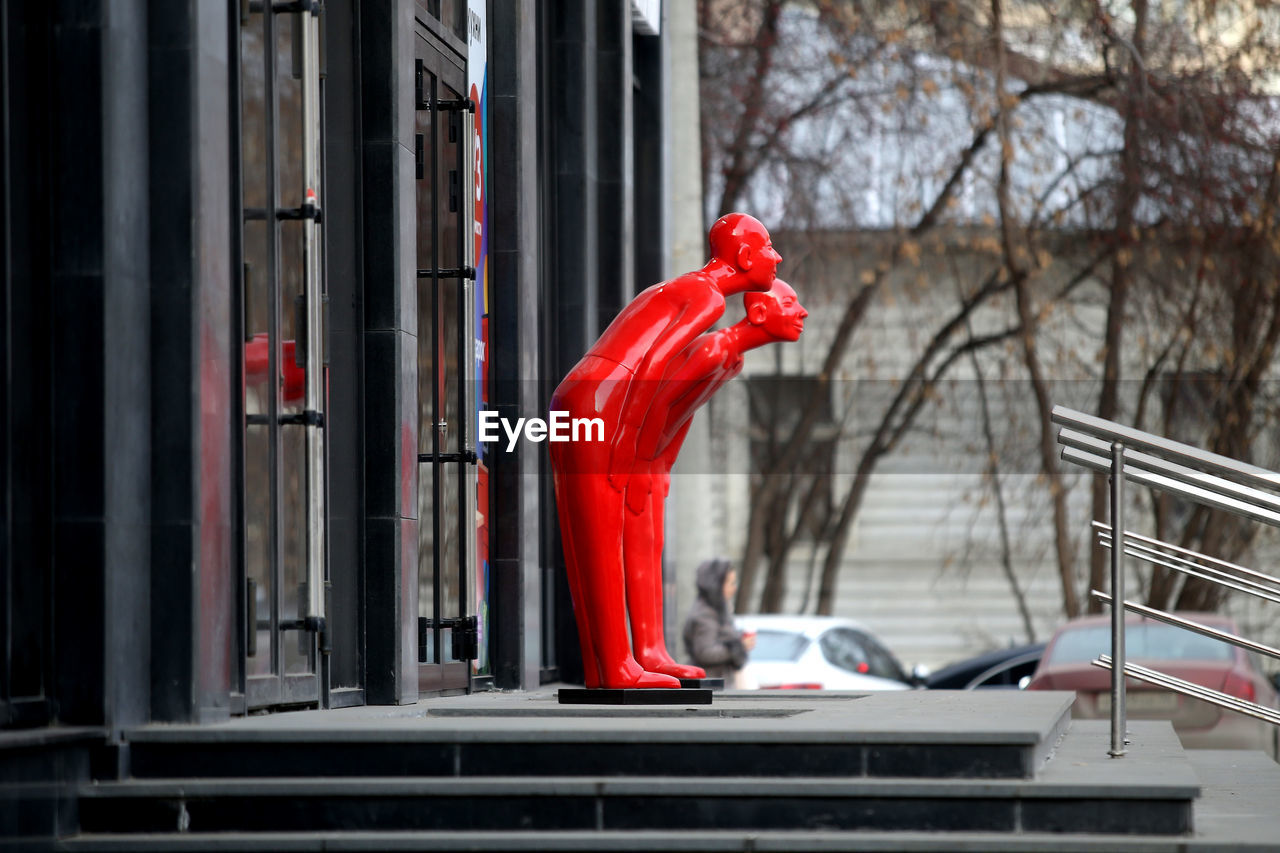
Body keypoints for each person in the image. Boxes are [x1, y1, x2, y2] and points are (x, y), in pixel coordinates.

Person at [549, 213, 782, 689]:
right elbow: (654, 365)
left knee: (599, 539)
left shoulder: (688, 292)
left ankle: (619, 663)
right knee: (601, 539)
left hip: (597, 398)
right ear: (741, 257)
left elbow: (677, 400)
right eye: (767, 247)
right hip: (601, 402)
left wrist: (654, 458)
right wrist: (629, 448)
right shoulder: (707, 296)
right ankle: (617, 666)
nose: (775, 257)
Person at [620, 280, 807, 681]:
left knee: (650, 552)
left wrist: (662, 465)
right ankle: (642, 653)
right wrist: (640, 462)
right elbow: (657, 398)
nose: (802, 312)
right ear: (757, 314)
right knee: (639, 555)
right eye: (789, 303)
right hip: (636, 460)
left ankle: (651, 652)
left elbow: (682, 416)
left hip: (651, 464)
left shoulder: (731, 358)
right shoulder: (714, 348)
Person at [683, 558, 756, 681]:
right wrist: (738, 647)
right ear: (715, 584)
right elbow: (705, 652)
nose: (734, 588)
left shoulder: (718, 609)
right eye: (730, 583)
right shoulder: (705, 614)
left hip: (718, 682)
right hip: (711, 685)